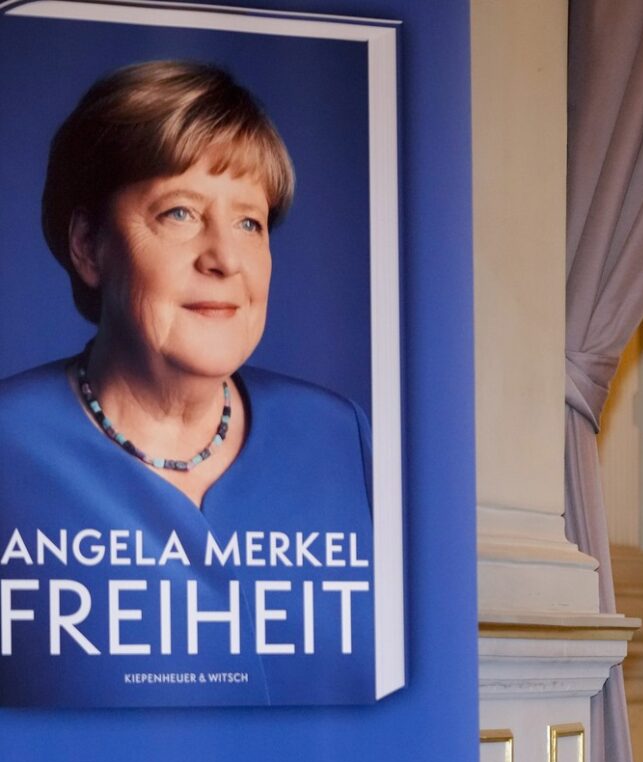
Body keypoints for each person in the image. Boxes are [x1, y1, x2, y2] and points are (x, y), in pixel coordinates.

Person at [0, 61, 375, 707]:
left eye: (249, 223)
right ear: (89, 245)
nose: (224, 259)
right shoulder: (9, 445)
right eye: (179, 213)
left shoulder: (339, 435)